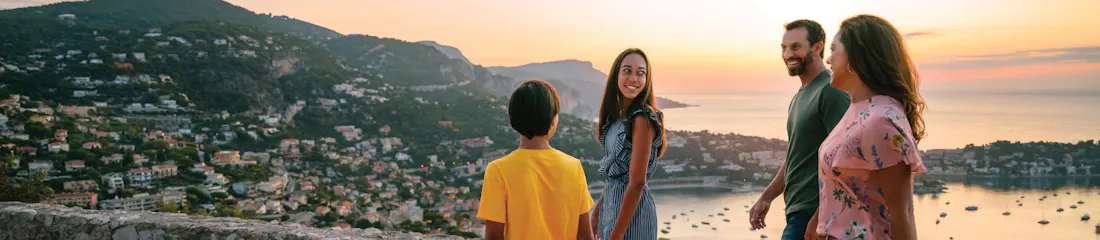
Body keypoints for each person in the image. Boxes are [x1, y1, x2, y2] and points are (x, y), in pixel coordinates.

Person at [808, 14, 927, 240]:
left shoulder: (880, 121)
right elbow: (849, 182)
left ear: (855, 58)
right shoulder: (859, 109)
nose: (828, 60)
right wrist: (820, 219)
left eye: (833, 50)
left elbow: (902, 213)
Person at [749, 19, 851, 240]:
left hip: (815, 216)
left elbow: (847, 159)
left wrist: (822, 216)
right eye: (784, 48)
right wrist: (767, 197)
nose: (787, 54)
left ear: (818, 47)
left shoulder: (831, 91)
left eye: (796, 47)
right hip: (798, 212)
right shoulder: (799, 97)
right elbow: (797, 156)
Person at [477, 80, 596, 240]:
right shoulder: (574, 167)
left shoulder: (498, 170)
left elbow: (494, 237)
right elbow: (585, 235)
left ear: (514, 122)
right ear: (553, 121)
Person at [591, 48, 667, 240]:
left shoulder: (642, 118)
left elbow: (637, 182)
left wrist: (615, 237)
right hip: (611, 207)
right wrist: (598, 212)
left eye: (641, 73)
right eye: (627, 71)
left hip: (633, 214)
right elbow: (615, 174)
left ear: (646, 80)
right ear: (616, 75)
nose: (634, 78)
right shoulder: (618, 119)